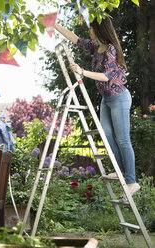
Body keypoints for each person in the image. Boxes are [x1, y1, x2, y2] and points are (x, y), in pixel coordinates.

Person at [54, 17, 140, 198]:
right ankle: (120, 171)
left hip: (119, 98)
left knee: (123, 139)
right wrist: (53, 24)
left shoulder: (110, 49)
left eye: (91, 28)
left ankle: (132, 182)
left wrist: (82, 72)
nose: (89, 31)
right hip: (106, 99)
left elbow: (106, 76)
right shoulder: (96, 47)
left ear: (99, 29)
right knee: (107, 136)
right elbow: (75, 39)